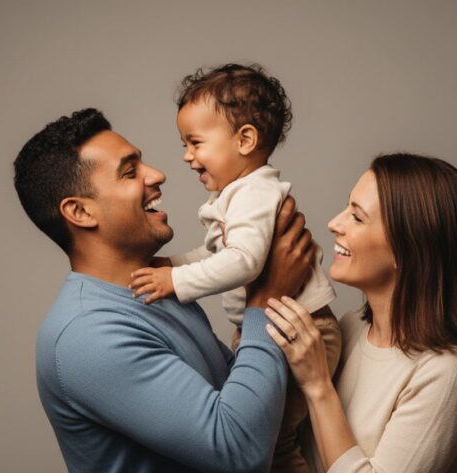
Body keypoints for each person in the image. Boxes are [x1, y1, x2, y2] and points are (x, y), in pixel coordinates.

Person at [13, 107, 318, 473]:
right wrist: (266, 298)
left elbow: (242, 396)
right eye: (130, 172)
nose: (158, 175)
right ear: (80, 212)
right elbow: (239, 452)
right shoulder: (85, 335)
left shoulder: (156, 290)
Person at [128, 63, 342, 473]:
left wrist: (175, 279)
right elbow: (221, 258)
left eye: (195, 143)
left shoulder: (254, 192)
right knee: (273, 436)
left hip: (303, 330)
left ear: (245, 139)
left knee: (272, 444)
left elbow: (243, 263)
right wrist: (171, 264)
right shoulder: (238, 194)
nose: (187, 157)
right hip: (275, 328)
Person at [263, 153, 457, 473]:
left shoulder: (449, 372)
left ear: (410, 250)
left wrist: (318, 386)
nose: (334, 224)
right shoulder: (347, 330)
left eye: (357, 217)